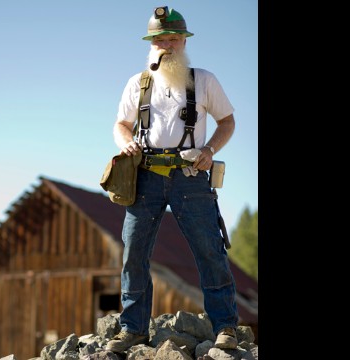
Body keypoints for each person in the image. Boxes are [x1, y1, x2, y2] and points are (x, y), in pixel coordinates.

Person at [105, 6, 239, 353]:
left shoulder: (204, 79)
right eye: (160, 40)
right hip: (145, 176)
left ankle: (226, 327)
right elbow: (121, 125)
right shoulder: (138, 82)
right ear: (152, 44)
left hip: (191, 177)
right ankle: (133, 329)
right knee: (133, 253)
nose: (167, 45)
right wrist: (126, 142)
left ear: (183, 41)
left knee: (210, 251)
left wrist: (209, 149)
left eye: (173, 39)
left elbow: (227, 121)